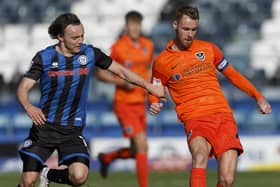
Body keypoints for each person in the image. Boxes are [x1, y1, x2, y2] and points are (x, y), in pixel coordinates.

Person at [16, 13, 164, 187]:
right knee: (28, 181)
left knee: (79, 176)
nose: (80, 40)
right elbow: (23, 88)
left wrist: (149, 87)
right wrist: (29, 106)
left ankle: (47, 173)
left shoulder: (90, 53)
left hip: (72, 130)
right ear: (60, 37)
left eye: (82, 36)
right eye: (75, 37)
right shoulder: (45, 57)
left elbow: (122, 71)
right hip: (44, 129)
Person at [149, 5, 272, 187]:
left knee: (227, 180)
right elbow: (155, 90)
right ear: (175, 25)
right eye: (185, 29)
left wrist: (258, 96)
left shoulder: (209, 49)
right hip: (195, 118)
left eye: (193, 30)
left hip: (223, 116)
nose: (190, 34)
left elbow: (232, 74)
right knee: (199, 157)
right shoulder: (161, 63)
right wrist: (155, 102)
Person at [96, 10, 154, 187]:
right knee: (142, 145)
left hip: (140, 103)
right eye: (132, 24)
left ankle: (107, 157)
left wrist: (151, 90)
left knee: (138, 150)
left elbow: (150, 68)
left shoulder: (148, 45)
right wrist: (121, 83)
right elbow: (100, 74)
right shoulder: (118, 47)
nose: (135, 28)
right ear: (126, 26)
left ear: (141, 26)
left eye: (138, 24)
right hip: (124, 104)